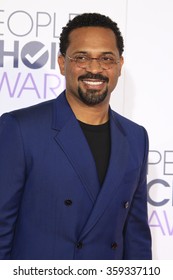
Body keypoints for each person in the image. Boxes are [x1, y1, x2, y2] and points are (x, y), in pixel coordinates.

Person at [0, 13, 152, 260]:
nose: (94, 68)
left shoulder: (136, 137)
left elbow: (136, 236)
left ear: (119, 65)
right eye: (81, 57)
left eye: (106, 58)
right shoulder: (20, 129)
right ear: (62, 63)